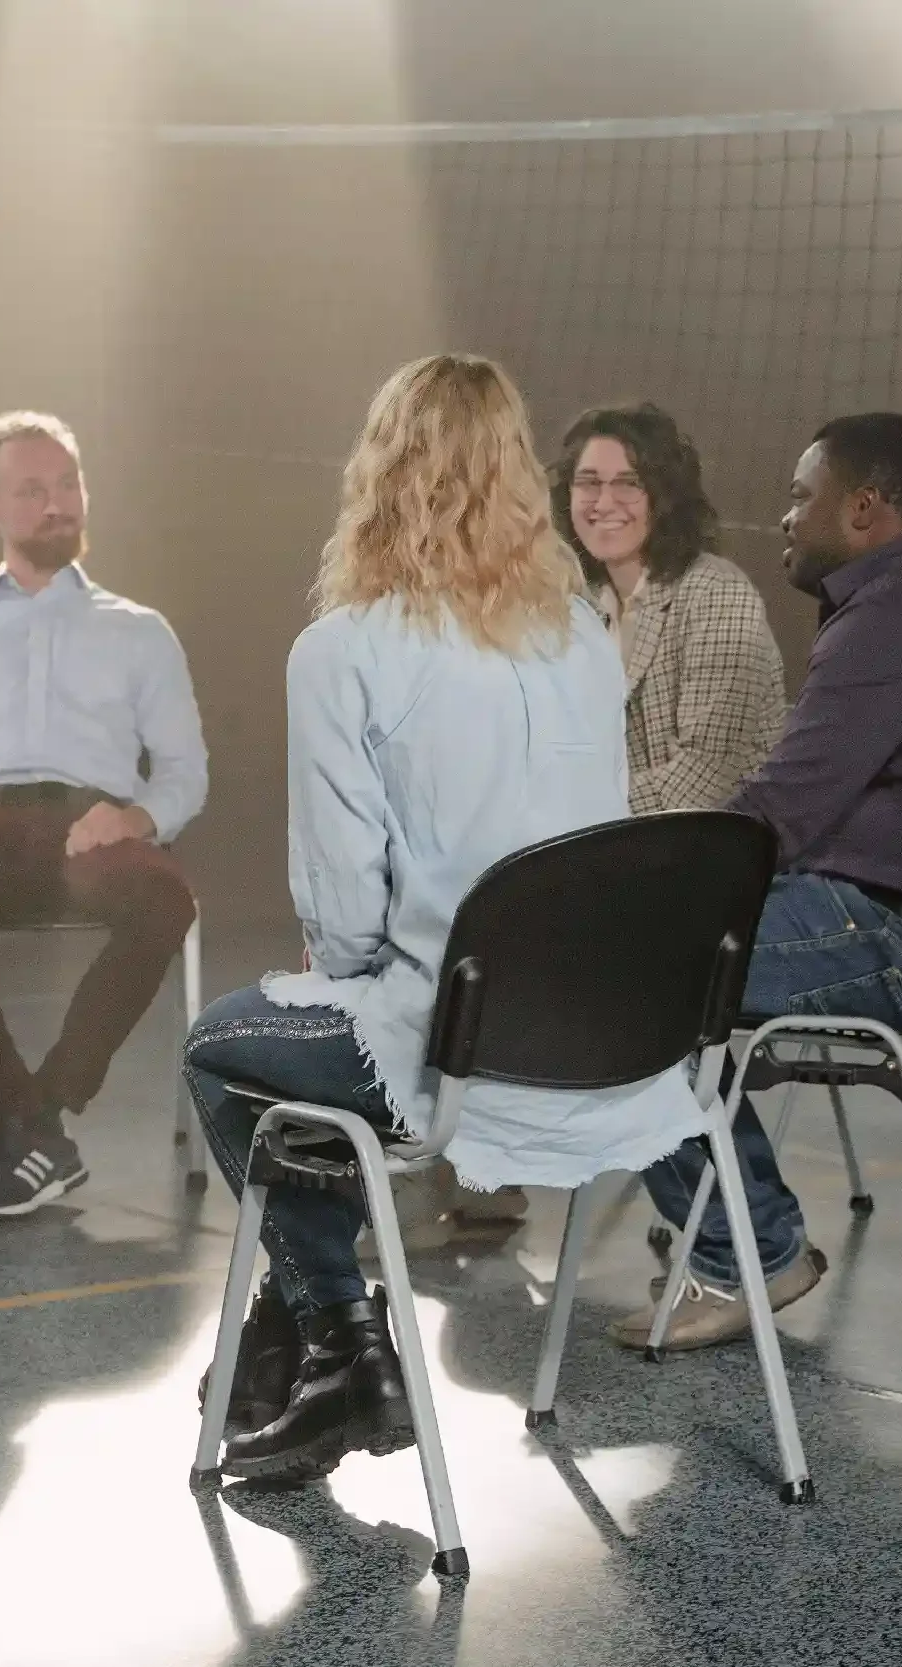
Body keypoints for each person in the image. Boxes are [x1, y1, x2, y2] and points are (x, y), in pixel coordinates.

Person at [180, 356, 701, 1483]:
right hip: (611, 1049)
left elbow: (341, 910)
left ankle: (340, 1344)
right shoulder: (579, 638)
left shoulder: (343, 650)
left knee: (224, 1050)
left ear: (380, 474)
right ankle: (294, 1353)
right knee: (311, 1053)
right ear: (517, 474)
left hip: (458, 1056)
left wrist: (348, 969)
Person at [618, 412, 902, 1351]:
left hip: (890, 940)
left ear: (864, 508)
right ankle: (740, 1228)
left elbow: (778, 814)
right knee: (645, 953)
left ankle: (749, 1253)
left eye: (800, 495)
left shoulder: (895, 619)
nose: (784, 516)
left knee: (624, 981)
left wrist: (635, 881)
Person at [0, 411, 206, 1218]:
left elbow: (186, 772)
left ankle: (39, 1113)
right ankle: (23, 1120)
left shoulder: (140, 632)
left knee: (164, 896)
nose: (57, 504)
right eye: (31, 490)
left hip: (91, 831)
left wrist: (137, 819)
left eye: (68, 484)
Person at [552, 402, 786, 814]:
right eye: (587, 482)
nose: (603, 503)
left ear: (665, 497)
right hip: (609, 847)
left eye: (628, 484)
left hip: (707, 854)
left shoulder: (720, 597)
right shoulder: (574, 602)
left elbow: (701, 781)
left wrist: (560, 811)